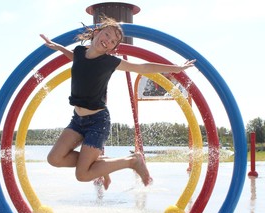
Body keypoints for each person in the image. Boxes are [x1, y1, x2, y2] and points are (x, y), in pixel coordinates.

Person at [40, 16, 195, 190]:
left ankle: (132, 161)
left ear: (113, 48)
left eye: (113, 41)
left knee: (82, 174)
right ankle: (99, 165)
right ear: (97, 32)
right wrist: (57, 47)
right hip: (77, 120)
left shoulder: (109, 62)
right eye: (107, 35)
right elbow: (76, 59)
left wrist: (176, 68)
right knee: (54, 158)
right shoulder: (78, 52)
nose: (108, 41)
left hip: (97, 122)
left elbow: (142, 67)